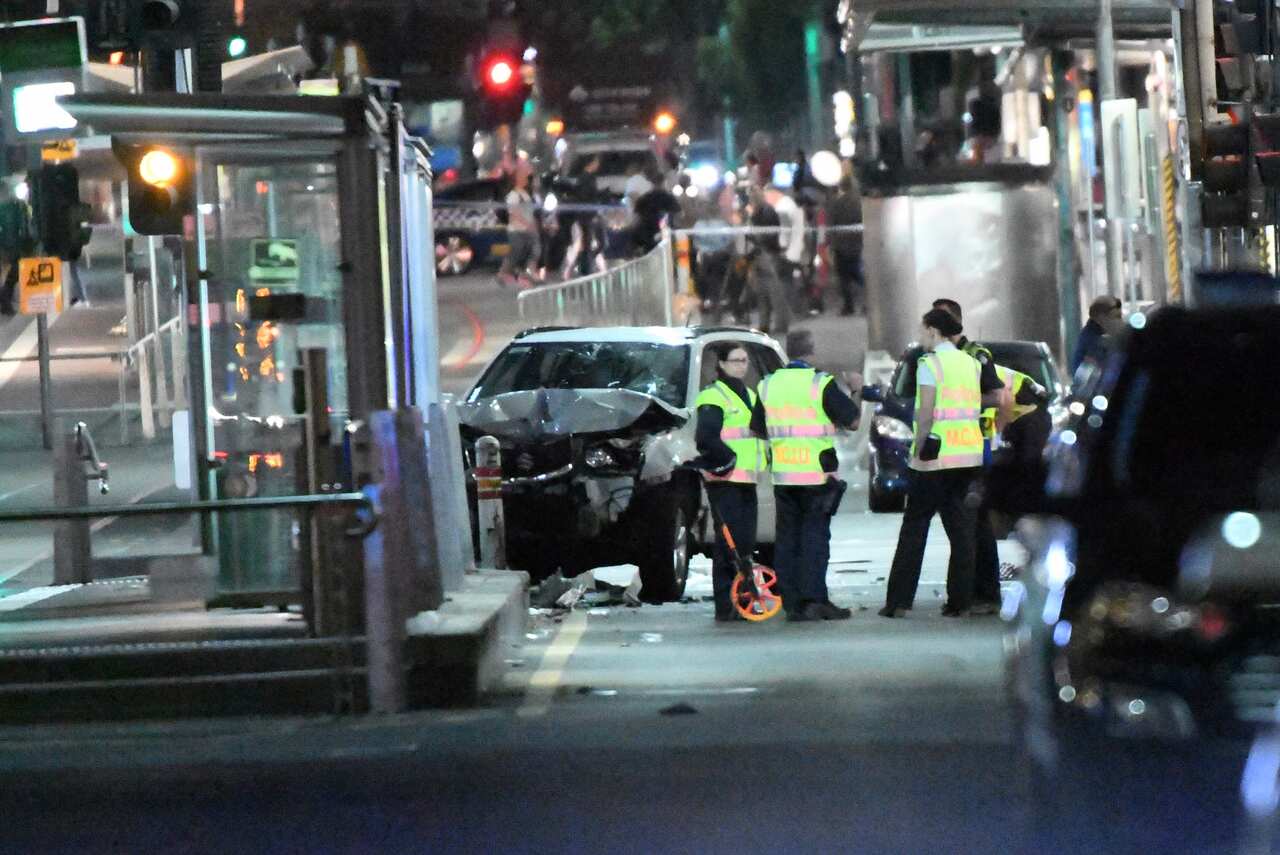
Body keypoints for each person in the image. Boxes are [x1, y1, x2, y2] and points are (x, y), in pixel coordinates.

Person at [880, 309, 986, 618]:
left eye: (923, 330)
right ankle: (960, 602)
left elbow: (925, 413)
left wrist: (918, 449)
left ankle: (898, 601)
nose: (920, 336)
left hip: (935, 457)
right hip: (968, 455)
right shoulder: (970, 363)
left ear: (933, 331)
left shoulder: (930, 364)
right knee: (962, 530)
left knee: (915, 526)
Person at [759, 329, 861, 621]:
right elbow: (852, 421)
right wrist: (855, 390)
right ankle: (815, 599)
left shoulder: (768, 385)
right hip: (815, 476)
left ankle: (792, 604)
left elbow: (758, 427)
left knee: (787, 539)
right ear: (811, 351)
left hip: (783, 476)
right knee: (814, 539)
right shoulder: (820, 383)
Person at [931, 297, 1007, 614]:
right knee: (966, 526)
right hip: (950, 449)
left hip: (974, 448)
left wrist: (967, 403)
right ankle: (975, 592)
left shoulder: (976, 356)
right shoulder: (937, 356)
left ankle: (982, 593)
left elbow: (999, 396)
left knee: (974, 526)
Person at [693, 343, 769, 622]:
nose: (742, 366)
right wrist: (729, 459)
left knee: (744, 545)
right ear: (722, 364)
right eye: (736, 361)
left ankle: (743, 600)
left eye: (745, 361)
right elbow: (706, 437)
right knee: (728, 546)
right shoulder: (713, 396)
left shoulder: (748, 394)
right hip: (725, 481)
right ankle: (726, 606)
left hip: (746, 481)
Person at [745, 184, 790, 336]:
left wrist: (753, 237)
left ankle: (780, 324)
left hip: (768, 254)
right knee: (762, 292)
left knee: (774, 292)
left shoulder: (766, 212)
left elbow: (768, 235)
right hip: (761, 254)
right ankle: (764, 324)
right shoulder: (760, 212)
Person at [825, 176, 864, 316]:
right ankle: (868, 302)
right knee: (858, 274)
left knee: (844, 278)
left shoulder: (838, 203)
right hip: (857, 243)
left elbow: (832, 223)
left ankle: (849, 306)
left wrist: (830, 242)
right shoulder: (859, 202)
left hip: (841, 245)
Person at [498, 165, 539, 288]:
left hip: (528, 229)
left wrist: (532, 224)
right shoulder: (513, 195)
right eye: (523, 176)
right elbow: (513, 214)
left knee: (534, 250)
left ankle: (529, 273)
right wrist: (527, 224)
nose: (526, 178)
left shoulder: (525, 194)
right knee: (515, 253)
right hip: (517, 230)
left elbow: (529, 211)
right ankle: (502, 274)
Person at [629, 168, 680, 257]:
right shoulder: (669, 198)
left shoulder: (644, 198)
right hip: (665, 233)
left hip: (647, 235)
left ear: (651, 183)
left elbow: (636, 218)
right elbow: (678, 214)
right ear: (664, 182)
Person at [0, 182, 33, 317]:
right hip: (16, 246)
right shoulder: (19, 206)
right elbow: (26, 225)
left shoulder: (16, 206)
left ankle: (5, 302)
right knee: (13, 274)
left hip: (8, 246)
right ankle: (5, 302)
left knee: (10, 275)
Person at [1070, 295, 1123, 376]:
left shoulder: (1094, 338)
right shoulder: (1094, 343)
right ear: (1101, 318)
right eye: (1116, 317)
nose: (1120, 321)